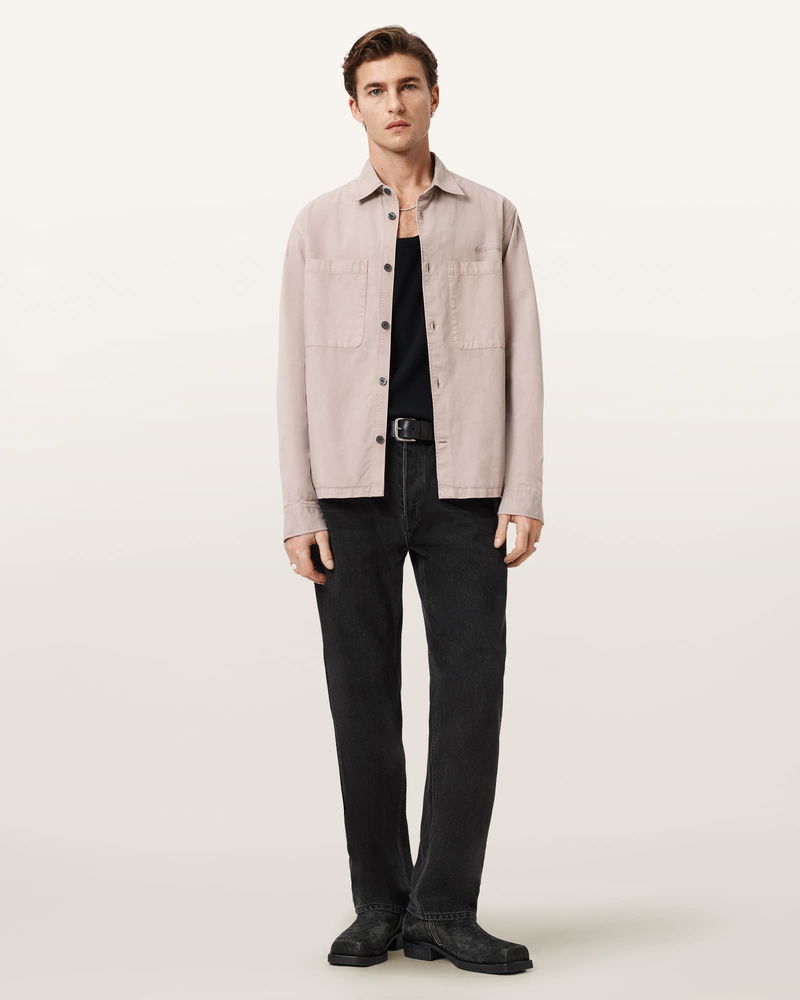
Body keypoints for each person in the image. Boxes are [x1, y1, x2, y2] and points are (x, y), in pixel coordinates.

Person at [276, 25, 543, 976]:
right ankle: (380, 905)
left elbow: (525, 359)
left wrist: (525, 488)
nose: (395, 103)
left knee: (470, 697)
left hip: (465, 486)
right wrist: (299, 507)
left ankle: (446, 908)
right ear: (353, 106)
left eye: (409, 85)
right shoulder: (317, 226)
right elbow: (293, 372)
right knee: (362, 701)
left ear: (435, 95)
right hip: (350, 490)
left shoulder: (492, 216)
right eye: (376, 89)